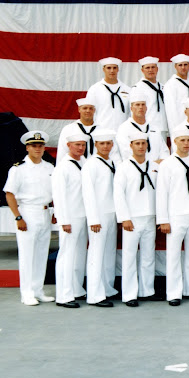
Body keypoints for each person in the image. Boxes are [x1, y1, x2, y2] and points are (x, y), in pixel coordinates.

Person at [156, 126, 189, 306]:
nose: (186, 144)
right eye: (182, 140)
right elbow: (162, 193)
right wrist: (163, 219)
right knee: (173, 255)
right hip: (175, 215)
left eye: (188, 140)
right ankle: (173, 293)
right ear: (175, 142)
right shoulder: (167, 164)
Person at [4, 131, 55, 306]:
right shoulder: (18, 169)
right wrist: (18, 217)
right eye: (34, 146)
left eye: (40, 146)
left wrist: (55, 212)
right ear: (27, 148)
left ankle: (38, 290)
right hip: (27, 212)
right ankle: (26, 293)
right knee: (27, 255)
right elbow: (10, 194)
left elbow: (55, 191)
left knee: (41, 253)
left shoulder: (49, 168)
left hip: (45, 212)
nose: (37, 149)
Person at [113, 131, 160, 307]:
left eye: (143, 143)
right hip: (132, 218)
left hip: (150, 217)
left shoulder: (154, 166)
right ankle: (129, 294)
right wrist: (124, 218)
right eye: (137, 143)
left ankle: (147, 291)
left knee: (148, 256)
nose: (141, 146)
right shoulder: (124, 167)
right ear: (131, 146)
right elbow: (119, 194)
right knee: (129, 257)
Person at [81, 129, 119, 308]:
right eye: (102, 143)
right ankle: (95, 295)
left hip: (112, 213)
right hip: (99, 215)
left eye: (108, 143)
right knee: (96, 255)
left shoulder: (112, 162)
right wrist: (93, 219)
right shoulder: (91, 165)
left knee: (109, 253)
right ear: (95, 145)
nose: (105, 146)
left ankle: (107, 288)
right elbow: (88, 194)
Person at [52, 133, 88, 308]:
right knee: (66, 256)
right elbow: (58, 196)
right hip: (70, 218)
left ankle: (76, 289)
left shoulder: (84, 162)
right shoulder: (63, 167)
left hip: (83, 216)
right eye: (77, 145)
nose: (80, 148)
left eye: (83, 145)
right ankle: (63, 295)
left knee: (79, 255)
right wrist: (63, 220)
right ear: (68, 145)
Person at [115, 92, 170, 163]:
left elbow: (164, 151)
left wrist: (159, 164)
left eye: (143, 104)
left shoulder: (154, 128)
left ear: (146, 108)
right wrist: (149, 165)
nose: (141, 107)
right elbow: (125, 154)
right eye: (137, 105)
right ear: (131, 108)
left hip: (157, 168)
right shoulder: (124, 129)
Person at [86, 57, 131, 132]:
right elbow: (89, 113)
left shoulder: (127, 89)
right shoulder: (94, 89)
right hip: (101, 132)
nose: (112, 71)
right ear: (103, 69)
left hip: (123, 132)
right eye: (109, 68)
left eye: (114, 68)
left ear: (118, 69)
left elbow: (131, 113)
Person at [130, 56, 168, 137]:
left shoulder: (163, 87)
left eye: (153, 67)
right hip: (147, 128)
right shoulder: (138, 88)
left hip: (162, 128)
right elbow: (134, 112)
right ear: (142, 70)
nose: (150, 70)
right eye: (147, 68)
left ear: (157, 69)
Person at [56, 97, 101, 164]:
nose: (88, 111)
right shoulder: (69, 129)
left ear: (94, 110)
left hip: (97, 166)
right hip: (75, 166)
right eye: (85, 108)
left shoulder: (101, 130)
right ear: (79, 109)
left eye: (91, 108)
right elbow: (62, 152)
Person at [164, 53, 189, 131]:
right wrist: (176, 131)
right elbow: (171, 111)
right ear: (175, 67)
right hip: (179, 127)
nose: (183, 67)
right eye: (180, 65)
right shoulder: (171, 85)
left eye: (185, 64)